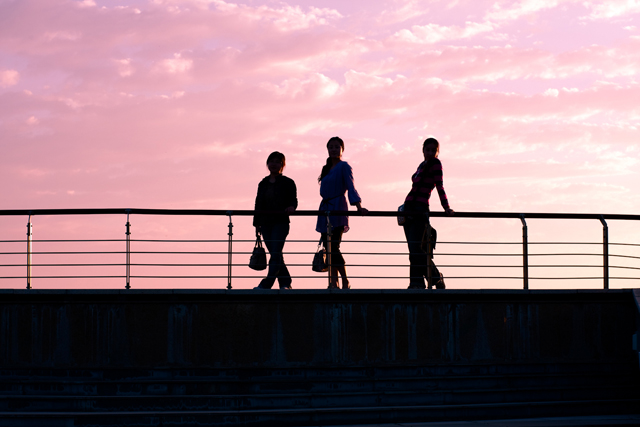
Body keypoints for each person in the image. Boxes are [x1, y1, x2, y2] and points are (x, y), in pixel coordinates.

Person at [316, 137, 368, 290]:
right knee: (328, 246)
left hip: (338, 207)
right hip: (325, 209)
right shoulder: (326, 168)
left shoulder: (344, 166)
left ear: (342, 150)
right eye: (331, 147)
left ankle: (344, 280)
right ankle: (333, 282)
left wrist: (358, 206)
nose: (333, 149)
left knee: (334, 246)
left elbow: (351, 186)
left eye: (336, 147)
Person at [403, 138, 454, 289]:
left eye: (434, 150)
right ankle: (416, 282)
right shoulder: (421, 165)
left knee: (416, 248)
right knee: (413, 249)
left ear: (438, 152)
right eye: (428, 150)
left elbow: (440, 187)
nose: (431, 153)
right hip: (408, 209)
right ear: (423, 150)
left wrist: (446, 207)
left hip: (420, 209)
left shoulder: (436, 164)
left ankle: (436, 277)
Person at [253, 151, 298, 290]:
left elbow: (293, 200)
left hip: (281, 222)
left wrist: (291, 207)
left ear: (282, 165)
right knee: (275, 253)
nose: (274, 164)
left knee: (276, 252)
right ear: (268, 164)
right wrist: (257, 224)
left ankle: (267, 283)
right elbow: (258, 204)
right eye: (271, 161)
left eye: (277, 161)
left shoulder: (288, 182)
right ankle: (285, 283)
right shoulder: (263, 183)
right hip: (266, 223)